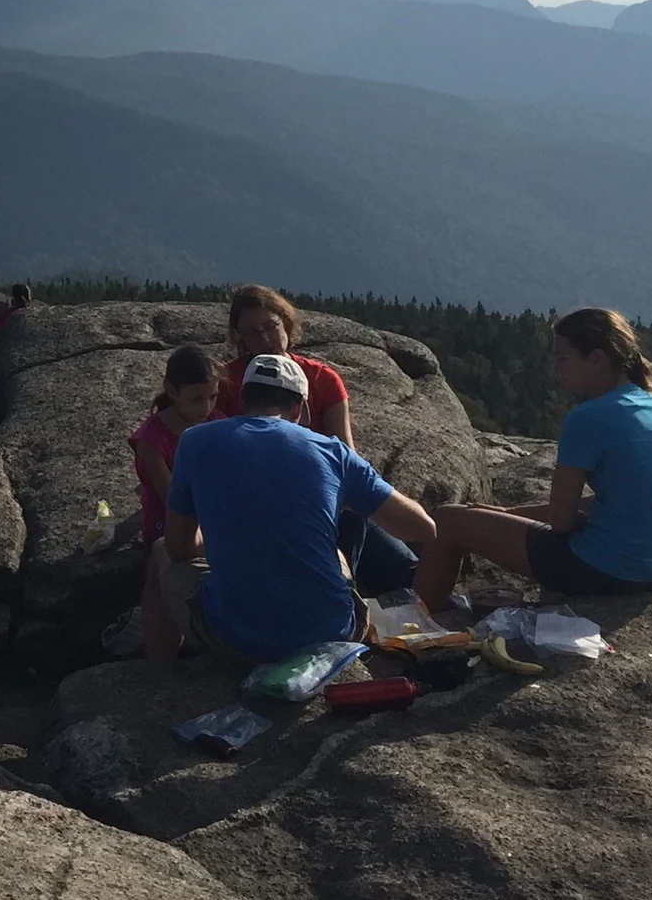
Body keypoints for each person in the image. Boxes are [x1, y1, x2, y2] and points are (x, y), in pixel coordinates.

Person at [146, 352, 437, 664]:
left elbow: (178, 547)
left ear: (243, 400)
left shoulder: (195, 441)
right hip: (334, 631)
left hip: (235, 638)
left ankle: (161, 675)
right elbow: (423, 528)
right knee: (333, 551)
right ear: (300, 406)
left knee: (159, 552)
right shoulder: (333, 452)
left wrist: (232, 538)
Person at [414, 307, 652, 612]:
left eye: (563, 357)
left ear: (597, 359)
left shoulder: (588, 417)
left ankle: (412, 625)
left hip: (610, 570)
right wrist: (507, 512)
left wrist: (516, 522)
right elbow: (623, 504)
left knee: (447, 521)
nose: (556, 367)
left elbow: (562, 522)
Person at [210, 284, 417, 596]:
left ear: (286, 323)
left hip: (327, 499)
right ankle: (341, 596)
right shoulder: (226, 383)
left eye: (270, 327)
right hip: (264, 502)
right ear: (238, 337)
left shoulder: (322, 378)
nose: (264, 339)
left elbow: (345, 454)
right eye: (252, 332)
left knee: (408, 570)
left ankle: (345, 588)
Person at [129, 345, 216, 543]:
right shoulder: (151, 442)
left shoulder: (215, 421)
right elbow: (172, 500)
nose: (207, 408)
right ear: (171, 391)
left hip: (212, 513)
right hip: (171, 524)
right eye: (197, 399)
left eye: (213, 397)